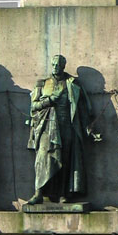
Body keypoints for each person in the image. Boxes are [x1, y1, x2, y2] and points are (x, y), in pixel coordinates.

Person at [26, 54, 94, 204]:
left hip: (67, 125)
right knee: (43, 158)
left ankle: (63, 193)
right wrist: (49, 100)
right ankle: (39, 192)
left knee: (65, 159)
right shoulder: (42, 83)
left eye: (58, 65)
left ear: (63, 66)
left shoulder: (72, 84)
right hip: (47, 125)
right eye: (53, 64)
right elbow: (33, 106)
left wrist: (88, 128)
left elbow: (82, 109)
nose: (55, 67)